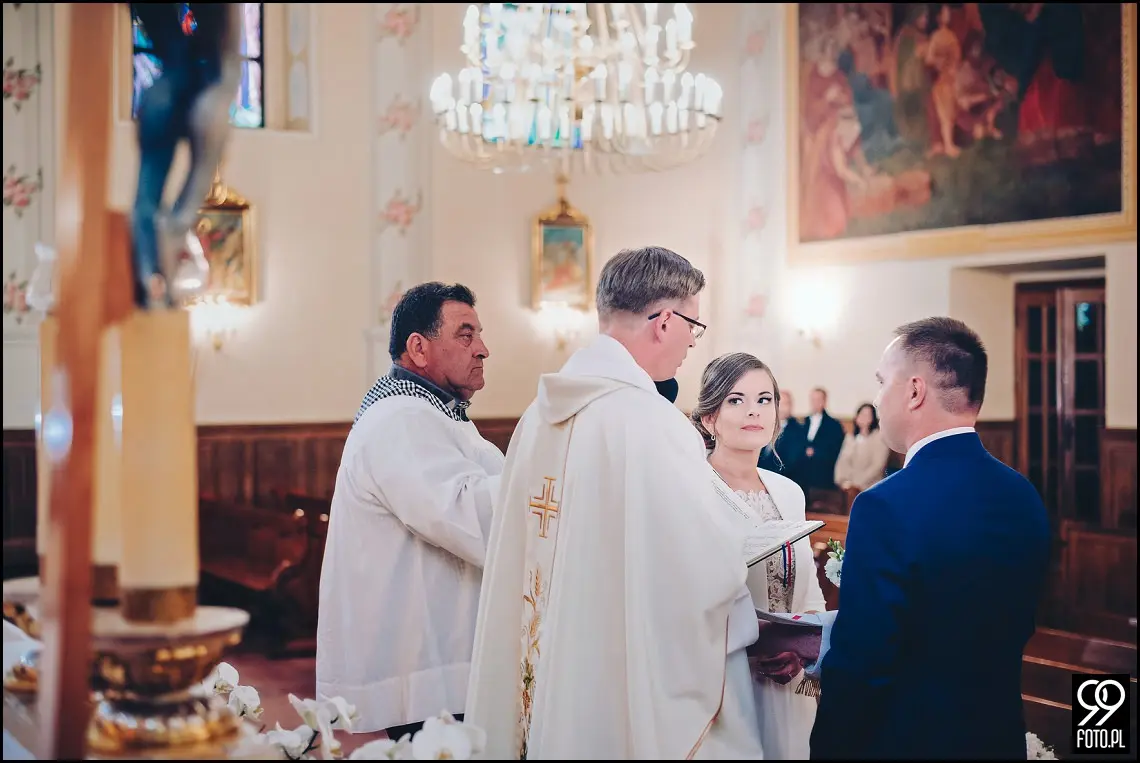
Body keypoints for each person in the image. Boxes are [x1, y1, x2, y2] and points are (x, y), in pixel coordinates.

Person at [466, 246, 764, 759]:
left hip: (548, 669)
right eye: (693, 326)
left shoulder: (537, 417)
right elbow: (703, 573)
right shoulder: (651, 423)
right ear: (665, 321)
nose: (692, 343)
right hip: (613, 670)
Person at [811, 318, 1051, 760]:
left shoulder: (885, 506)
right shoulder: (1023, 495)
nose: (879, 398)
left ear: (914, 391)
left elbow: (865, 662)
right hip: (996, 736)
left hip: (908, 741)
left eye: (883, 382)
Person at [317, 282, 506, 737]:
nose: (483, 349)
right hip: (427, 665)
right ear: (418, 348)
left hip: (443, 659)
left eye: (479, 334)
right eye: (465, 334)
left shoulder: (435, 414)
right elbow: (466, 516)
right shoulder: (400, 418)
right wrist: (555, 474)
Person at [694, 353, 827, 760]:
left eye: (764, 399)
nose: (753, 410)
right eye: (736, 400)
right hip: (723, 678)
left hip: (788, 679)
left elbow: (809, 587)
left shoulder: (789, 491)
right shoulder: (694, 487)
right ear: (709, 418)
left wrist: (807, 650)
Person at [793, 387, 845, 491]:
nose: (815, 403)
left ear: (825, 401)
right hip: (801, 474)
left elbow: (836, 449)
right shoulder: (803, 422)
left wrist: (815, 452)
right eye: (812, 400)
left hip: (822, 474)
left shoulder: (834, 425)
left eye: (818, 400)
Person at [833, 402, 891, 492]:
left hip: (870, 486)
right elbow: (842, 461)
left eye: (868, 415)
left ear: (873, 418)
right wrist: (843, 481)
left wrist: (856, 483)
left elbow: (878, 466)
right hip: (848, 485)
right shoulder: (850, 438)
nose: (864, 417)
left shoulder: (879, 437)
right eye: (862, 414)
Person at [759, 388, 807, 475]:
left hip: (781, 479)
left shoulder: (798, 430)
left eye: (785, 404)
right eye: (778, 403)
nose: (780, 407)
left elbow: (790, 463)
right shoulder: (765, 425)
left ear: (791, 406)